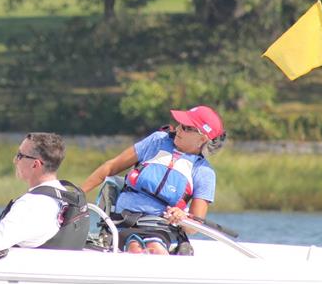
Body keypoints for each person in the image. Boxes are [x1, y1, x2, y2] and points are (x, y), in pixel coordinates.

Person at [81, 105, 226, 255]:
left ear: (202, 138)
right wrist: (79, 193)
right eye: (179, 124)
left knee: (154, 248)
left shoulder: (204, 172)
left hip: (160, 228)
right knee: (135, 248)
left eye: (185, 127)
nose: (178, 129)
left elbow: (193, 226)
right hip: (123, 221)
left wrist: (182, 216)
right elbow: (111, 167)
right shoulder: (157, 141)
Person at [0, 132, 87, 257]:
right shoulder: (64, 197)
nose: (15, 160)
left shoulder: (32, 204)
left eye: (20, 156)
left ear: (35, 164)